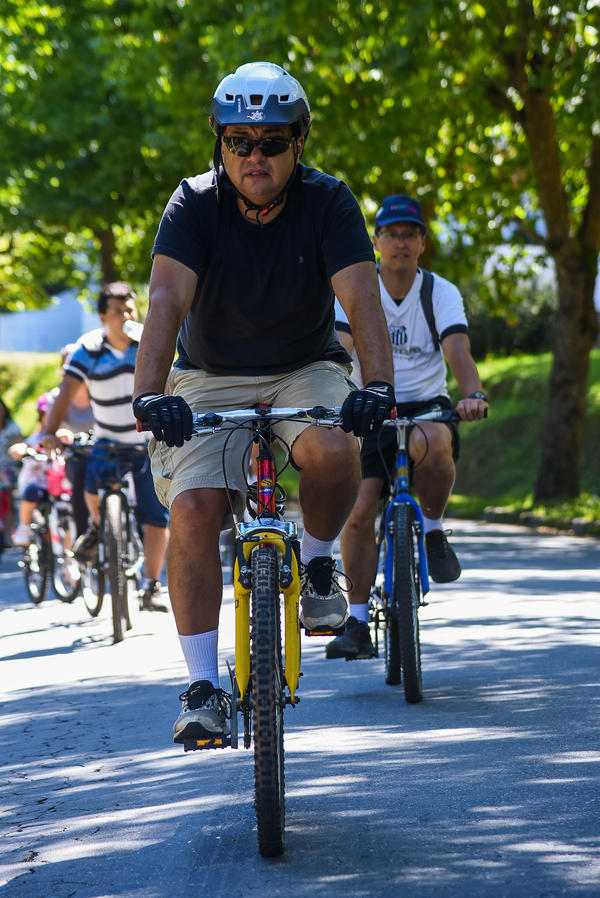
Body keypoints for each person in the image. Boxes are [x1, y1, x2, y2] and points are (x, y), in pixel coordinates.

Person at [131, 61, 395, 744]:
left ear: (299, 143)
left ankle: (317, 564)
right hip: (209, 375)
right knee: (194, 508)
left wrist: (378, 386)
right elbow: (165, 300)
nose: (255, 156)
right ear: (219, 143)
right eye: (239, 141)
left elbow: (362, 299)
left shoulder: (328, 201)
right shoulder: (192, 203)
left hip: (305, 368)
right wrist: (148, 393)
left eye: (272, 142)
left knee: (333, 449)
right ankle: (201, 686)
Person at [326, 194, 489, 661]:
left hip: (426, 405)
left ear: (422, 243)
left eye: (410, 234)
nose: (400, 242)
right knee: (358, 512)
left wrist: (473, 395)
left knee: (436, 443)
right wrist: (329, 397)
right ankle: (358, 623)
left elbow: (458, 351)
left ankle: (433, 529)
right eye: (391, 234)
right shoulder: (355, 287)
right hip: (370, 405)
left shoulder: (440, 292)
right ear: (376, 242)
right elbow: (339, 349)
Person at [40, 282, 170, 611]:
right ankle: (100, 527)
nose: (126, 316)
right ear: (102, 317)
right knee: (92, 481)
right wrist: (50, 431)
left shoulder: (147, 340)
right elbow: (66, 391)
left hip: (147, 442)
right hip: (108, 439)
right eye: (117, 311)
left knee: (156, 514)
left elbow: (172, 382)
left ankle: (151, 586)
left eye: (130, 309)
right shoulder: (88, 349)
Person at [46, 343, 95, 536]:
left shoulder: (99, 391)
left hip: (105, 448)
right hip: (75, 454)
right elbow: (50, 428)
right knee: (81, 476)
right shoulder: (56, 398)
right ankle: (83, 536)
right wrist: (60, 435)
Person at [0, 397, 22, 554]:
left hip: (12, 468)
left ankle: (12, 532)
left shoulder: (11, 427)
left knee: (10, 497)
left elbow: (21, 445)